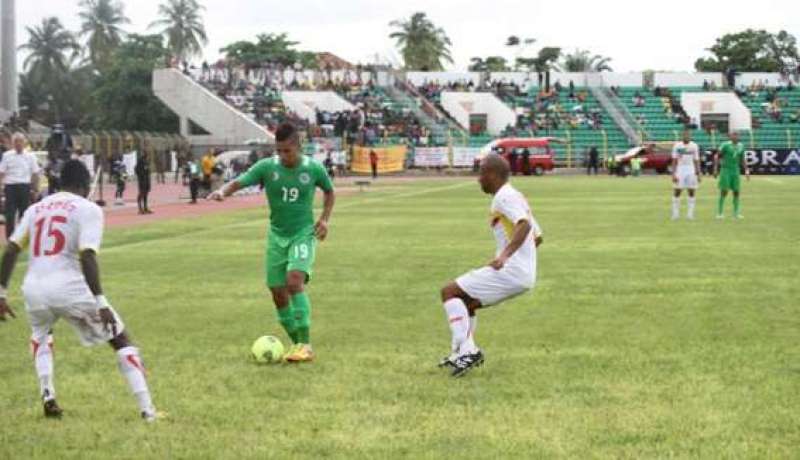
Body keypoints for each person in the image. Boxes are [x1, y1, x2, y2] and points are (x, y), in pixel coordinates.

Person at [0, 160, 158, 421]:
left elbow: (11, 249)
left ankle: (48, 396)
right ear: (85, 185)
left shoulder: (36, 208)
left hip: (33, 288)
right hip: (68, 287)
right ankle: (148, 411)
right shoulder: (88, 208)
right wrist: (101, 302)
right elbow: (87, 255)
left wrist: (2, 294)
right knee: (120, 339)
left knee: (41, 335)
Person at [208, 123, 335, 362]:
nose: (283, 155)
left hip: (302, 233)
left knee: (294, 280)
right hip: (277, 236)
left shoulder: (314, 169)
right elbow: (240, 181)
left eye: (288, 151)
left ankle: (305, 345)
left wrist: (325, 220)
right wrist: (223, 192)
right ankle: (296, 343)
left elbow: (329, 191)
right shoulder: (267, 167)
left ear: (298, 146)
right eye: (279, 151)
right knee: (277, 293)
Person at [438, 154, 543, 377]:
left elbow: (524, 226)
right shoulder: (515, 196)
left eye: (481, 173)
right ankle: (461, 353)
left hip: (511, 270)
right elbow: (538, 236)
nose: (478, 179)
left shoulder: (504, 197)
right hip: (522, 273)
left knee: (449, 292)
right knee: (465, 303)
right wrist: (523, 258)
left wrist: (505, 256)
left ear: (493, 175)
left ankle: (468, 352)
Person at [0, 132, 41, 238]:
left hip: (24, 186)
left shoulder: (30, 156)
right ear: (12, 143)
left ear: (24, 143)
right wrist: (1, 187)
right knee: (10, 214)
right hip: (10, 187)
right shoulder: (7, 155)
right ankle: (10, 238)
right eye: (16, 142)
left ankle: (22, 237)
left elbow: (35, 173)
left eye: (20, 141)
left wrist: (35, 189)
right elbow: (2, 172)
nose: (18, 144)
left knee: (24, 214)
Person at [715, 132, 750, 219]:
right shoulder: (725, 145)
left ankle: (736, 213)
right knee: (724, 191)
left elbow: (742, 159)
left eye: (737, 135)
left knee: (736, 191)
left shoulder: (741, 146)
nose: (735, 136)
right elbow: (717, 156)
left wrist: (746, 170)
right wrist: (715, 169)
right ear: (730, 136)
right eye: (733, 135)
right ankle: (720, 213)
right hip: (725, 170)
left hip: (736, 170)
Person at [670, 130, 702, 220]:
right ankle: (675, 214)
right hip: (680, 169)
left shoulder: (694, 146)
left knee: (691, 191)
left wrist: (698, 173)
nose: (687, 137)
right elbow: (674, 160)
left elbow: (696, 160)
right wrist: (673, 173)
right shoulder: (677, 146)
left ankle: (690, 214)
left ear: (690, 136)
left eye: (688, 135)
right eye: (685, 135)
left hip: (691, 169)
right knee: (677, 191)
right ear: (682, 136)